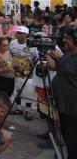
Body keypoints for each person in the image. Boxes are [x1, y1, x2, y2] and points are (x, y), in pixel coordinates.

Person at [48, 27, 77, 158]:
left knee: (73, 141)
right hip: (63, 106)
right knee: (65, 136)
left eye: (68, 38)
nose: (64, 40)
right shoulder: (68, 53)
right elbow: (58, 67)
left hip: (73, 110)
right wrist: (48, 55)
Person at [9, 26, 38, 120]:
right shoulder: (13, 42)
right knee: (17, 91)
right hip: (16, 71)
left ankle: (28, 110)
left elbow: (37, 57)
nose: (19, 35)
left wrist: (31, 60)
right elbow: (10, 54)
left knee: (29, 93)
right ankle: (19, 108)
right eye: (18, 33)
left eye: (21, 33)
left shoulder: (32, 44)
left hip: (28, 73)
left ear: (26, 35)